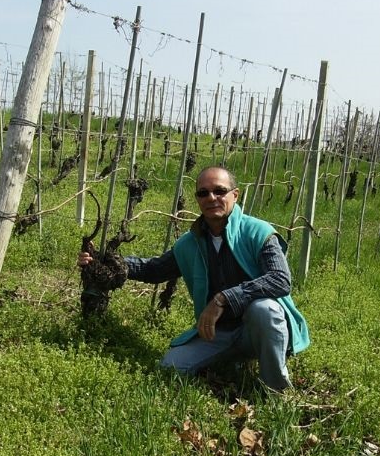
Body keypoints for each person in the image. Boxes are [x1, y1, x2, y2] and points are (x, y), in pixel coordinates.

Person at [78, 165, 309, 391]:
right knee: (171, 367)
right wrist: (106, 261)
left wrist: (224, 298)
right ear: (197, 199)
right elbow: (155, 269)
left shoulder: (258, 232)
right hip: (217, 331)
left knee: (264, 309)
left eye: (219, 191)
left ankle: (275, 387)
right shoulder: (191, 243)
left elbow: (280, 279)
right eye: (203, 193)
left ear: (235, 195)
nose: (211, 198)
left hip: (257, 329)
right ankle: (231, 362)